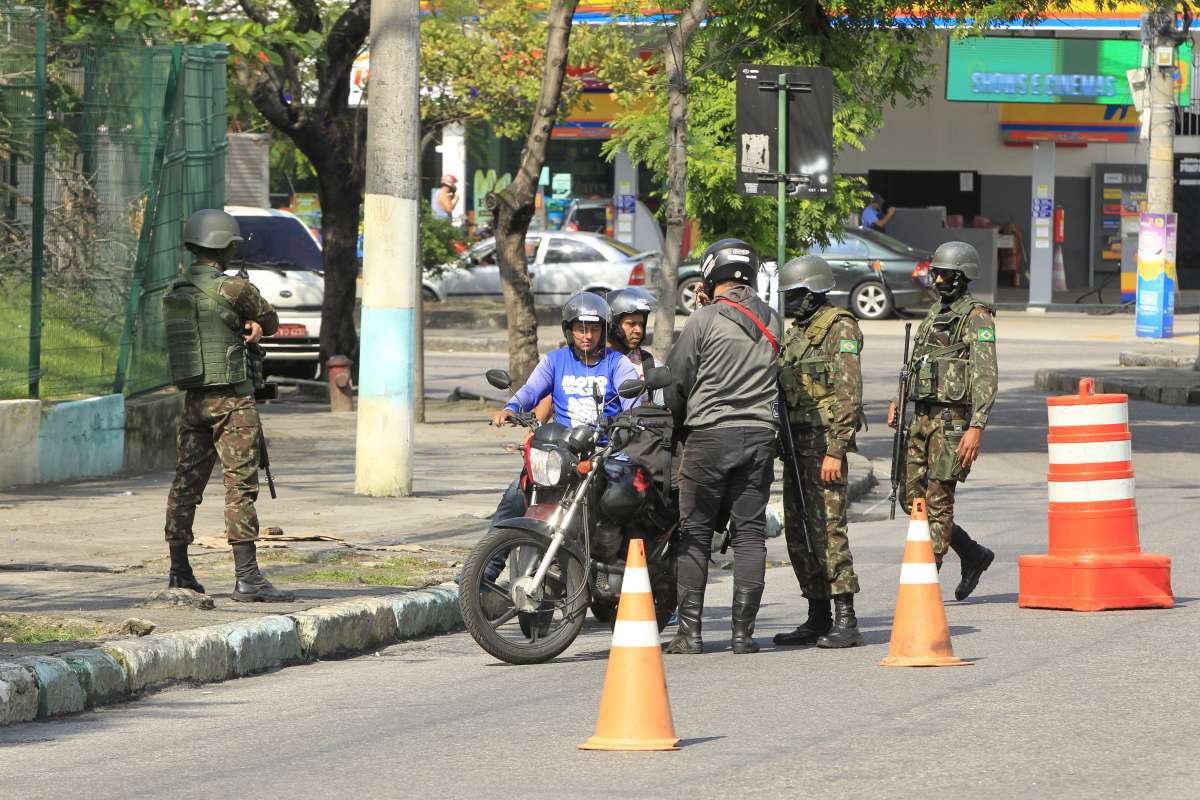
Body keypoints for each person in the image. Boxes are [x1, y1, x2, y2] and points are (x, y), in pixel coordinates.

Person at [162, 209, 294, 602]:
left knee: (186, 484)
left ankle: (179, 571)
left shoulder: (176, 291)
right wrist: (254, 325)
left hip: (194, 400)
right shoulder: (234, 290)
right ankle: (248, 578)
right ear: (223, 247)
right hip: (233, 401)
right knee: (240, 486)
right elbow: (268, 320)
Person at [664, 238, 782, 655]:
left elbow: (677, 379)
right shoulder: (773, 320)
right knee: (750, 536)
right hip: (759, 439)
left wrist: (676, 427)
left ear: (711, 272)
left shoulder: (704, 320)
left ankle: (690, 634)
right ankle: (742, 636)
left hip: (709, 438)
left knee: (695, 534)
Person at [888, 241, 997, 601]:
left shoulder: (976, 315)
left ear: (962, 275)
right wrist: (898, 400)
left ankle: (923, 588)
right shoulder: (936, 311)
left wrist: (976, 427)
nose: (936, 278)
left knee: (937, 502)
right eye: (936, 272)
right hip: (920, 420)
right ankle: (971, 553)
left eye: (944, 273)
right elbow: (916, 362)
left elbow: (985, 375)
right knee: (910, 499)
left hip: (951, 424)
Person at [486, 292, 641, 534]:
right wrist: (511, 408)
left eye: (594, 329)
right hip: (561, 453)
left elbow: (632, 402)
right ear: (569, 331)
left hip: (603, 453)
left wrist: (628, 419)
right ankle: (482, 570)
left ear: (604, 331)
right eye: (581, 329)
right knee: (515, 496)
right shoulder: (555, 361)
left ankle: (608, 564)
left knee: (616, 503)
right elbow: (531, 390)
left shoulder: (617, 363)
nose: (587, 336)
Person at [772, 255, 866, 649]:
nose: (789, 303)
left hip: (823, 445)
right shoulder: (797, 334)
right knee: (799, 532)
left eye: (794, 295)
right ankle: (817, 614)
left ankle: (846, 617)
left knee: (829, 531)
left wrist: (836, 449)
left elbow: (848, 395)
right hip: (795, 448)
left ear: (813, 292)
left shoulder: (839, 327)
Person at [605, 287, 662, 405]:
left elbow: (662, 411)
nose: (639, 330)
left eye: (641, 324)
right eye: (631, 324)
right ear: (613, 325)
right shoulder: (591, 363)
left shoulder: (649, 366)